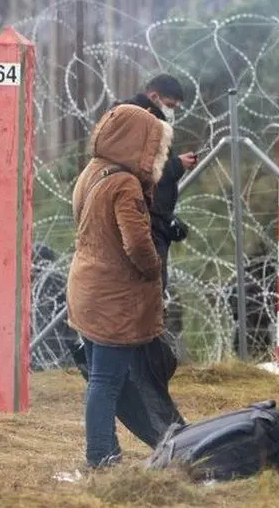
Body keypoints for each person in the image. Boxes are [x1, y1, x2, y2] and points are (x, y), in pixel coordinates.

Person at [67, 104, 174, 468]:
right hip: (114, 296)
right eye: (155, 146)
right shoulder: (125, 184)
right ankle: (101, 455)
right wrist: (153, 270)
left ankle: (106, 450)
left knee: (102, 377)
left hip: (88, 286)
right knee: (106, 381)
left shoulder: (94, 171)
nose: (158, 155)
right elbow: (138, 244)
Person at [112, 74, 197, 291]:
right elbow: (140, 174)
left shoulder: (150, 122)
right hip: (143, 222)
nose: (172, 111)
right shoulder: (137, 123)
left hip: (152, 221)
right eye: (170, 105)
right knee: (147, 296)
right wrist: (177, 165)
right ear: (154, 96)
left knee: (148, 298)